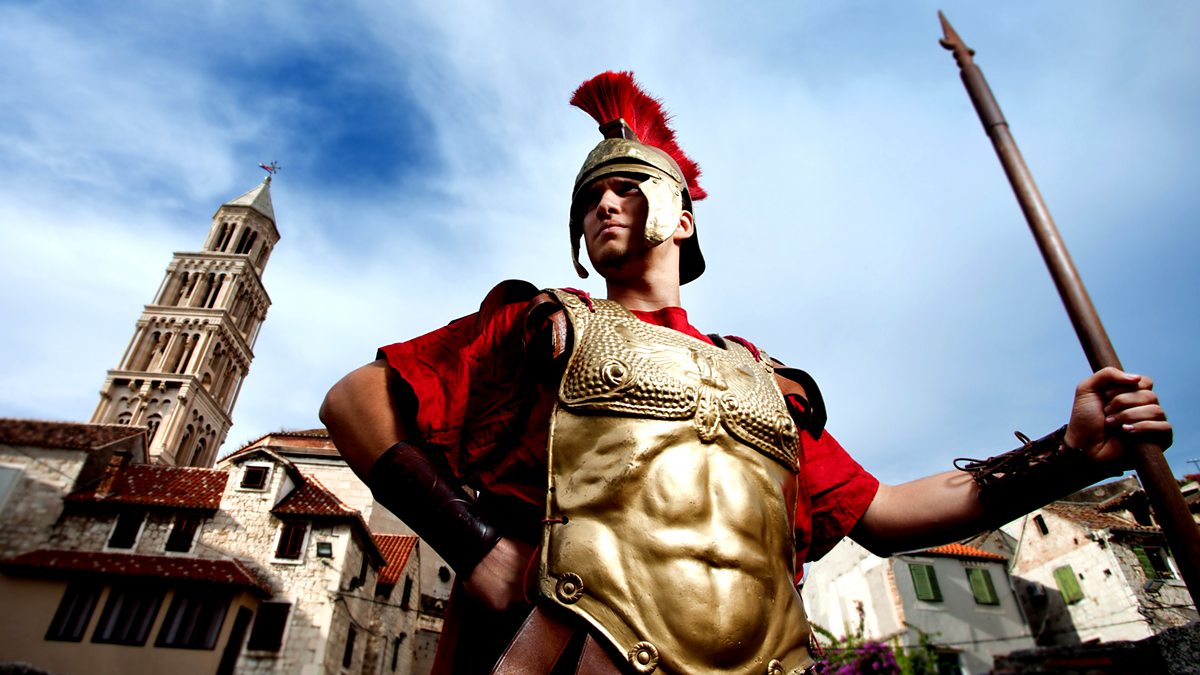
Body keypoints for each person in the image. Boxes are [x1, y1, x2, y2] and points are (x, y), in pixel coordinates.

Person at [320, 71, 1170, 674]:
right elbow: (356, 402)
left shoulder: (761, 380)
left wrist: (1070, 453)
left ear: (682, 216)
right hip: (570, 653)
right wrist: (476, 545)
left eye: (626, 187)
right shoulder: (543, 327)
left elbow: (884, 513)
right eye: (589, 199)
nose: (603, 203)